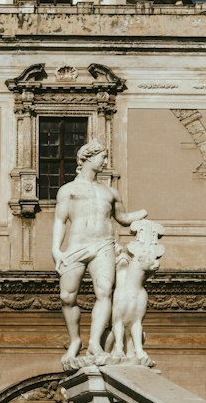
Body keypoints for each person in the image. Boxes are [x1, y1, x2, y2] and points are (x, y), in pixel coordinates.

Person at [52, 140, 146, 365]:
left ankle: (94, 342)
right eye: (102, 157)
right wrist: (56, 249)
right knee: (67, 296)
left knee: (104, 293)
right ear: (88, 158)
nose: (105, 162)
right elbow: (60, 220)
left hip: (103, 245)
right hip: (76, 245)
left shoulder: (110, 192)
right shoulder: (68, 190)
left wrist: (143, 213)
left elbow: (122, 219)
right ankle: (75, 340)